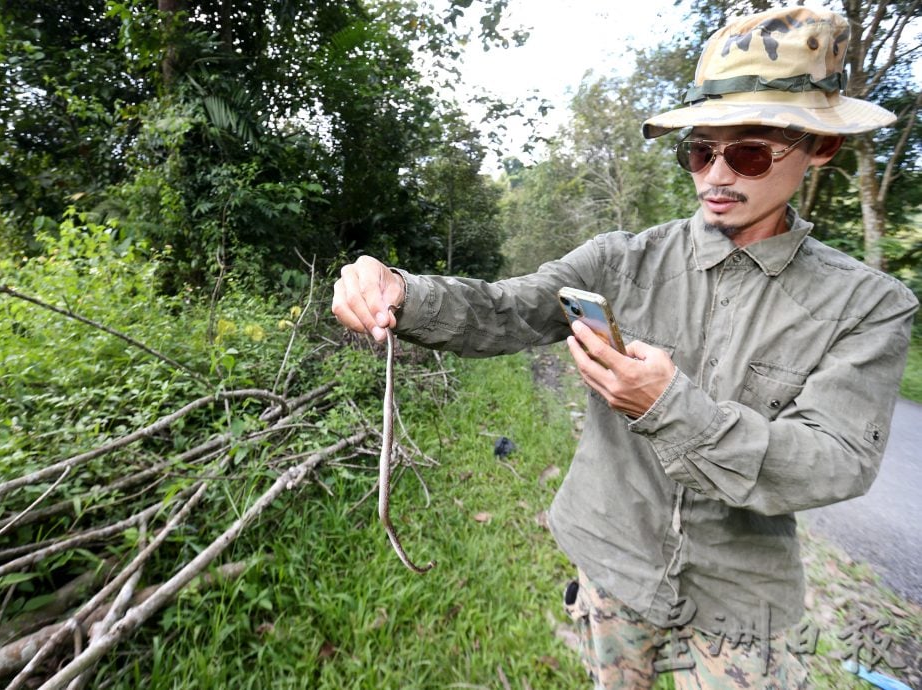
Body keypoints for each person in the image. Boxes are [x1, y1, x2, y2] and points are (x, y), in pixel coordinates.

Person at [331, 7, 918, 689]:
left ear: (820, 148)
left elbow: (831, 463)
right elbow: (502, 311)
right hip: (607, 560)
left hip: (742, 598)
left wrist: (670, 407)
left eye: (748, 152)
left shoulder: (867, 304)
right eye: (699, 151)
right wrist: (399, 290)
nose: (715, 177)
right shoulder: (622, 262)